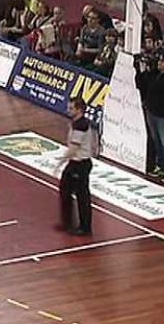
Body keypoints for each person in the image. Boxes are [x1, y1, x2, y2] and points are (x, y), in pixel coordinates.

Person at [136, 50, 164, 184]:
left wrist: (150, 72)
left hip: (163, 114)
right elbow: (140, 84)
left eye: (162, 61)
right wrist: (140, 70)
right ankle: (161, 166)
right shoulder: (155, 73)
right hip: (151, 110)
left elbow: (158, 88)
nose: (159, 63)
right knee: (156, 140)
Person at [57, 98, 96, 236]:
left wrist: (61, 161)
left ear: (79, 110)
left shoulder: (81, 125)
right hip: (75, 162)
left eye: (71, 108)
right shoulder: (77, 123)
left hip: (80, 164)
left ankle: (85, 227)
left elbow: (74, 147)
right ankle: (68, 222)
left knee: (82, 196)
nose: (68, 111)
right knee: (65, 190)